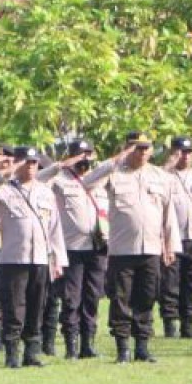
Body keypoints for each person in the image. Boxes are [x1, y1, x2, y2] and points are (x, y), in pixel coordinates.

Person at [82, 131, 179, 363]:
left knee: (146, 297)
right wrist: (115, 159)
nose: (143, 152)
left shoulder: (160, 176)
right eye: (137, 147)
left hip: (152, 249)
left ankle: (142, 347)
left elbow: (169, 214)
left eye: (146, 148)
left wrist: (170, 245)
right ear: (127, 149)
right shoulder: (114, 173)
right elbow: (88, 182)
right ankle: (123, 347)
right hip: (122, 250)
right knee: (121, 300)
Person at [0, 147, 67, 368]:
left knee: (37, 307)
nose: (31, 167)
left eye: (34, 163)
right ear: (17, 163)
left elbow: (54, 228)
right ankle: (12, 353)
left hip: (40, 259)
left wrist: (59, 260)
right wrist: (4, 173)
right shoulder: (4, 189)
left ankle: (32, 352)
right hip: (13, 259)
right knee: (14, 308)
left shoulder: (45, 192)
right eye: (26, 162)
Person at [38, 139, 109, 359]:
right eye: (80, 154)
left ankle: (88, 343)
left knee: (92, 297)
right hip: (71, 247)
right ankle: (71, 345)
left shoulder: (100, 178)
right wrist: (62, 164)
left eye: (88, 154)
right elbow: (39, 180)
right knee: (71, 299)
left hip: (98, 246)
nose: (84, 158)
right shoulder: (59, 180)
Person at [161, 137, 192, 339]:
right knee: (169, 283)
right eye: (181, 151)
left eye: (189, 152)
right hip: (172, 237)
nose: (186, 156)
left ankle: (188, 325)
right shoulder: (164, 176)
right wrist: (169, 164)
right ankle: (170, 323)